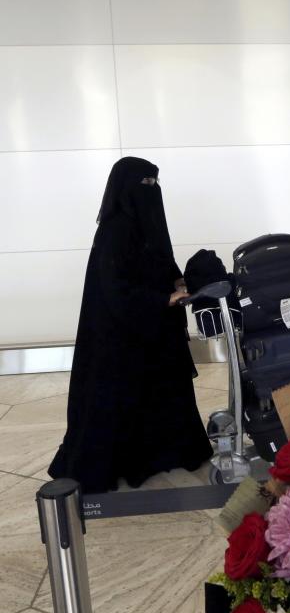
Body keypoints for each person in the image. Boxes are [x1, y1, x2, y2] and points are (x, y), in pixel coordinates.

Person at [49, 157, 213, 493]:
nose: (152, 190)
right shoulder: (116, 230)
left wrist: (177, 282)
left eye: (155, 183)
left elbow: (157, 264)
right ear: (124, 188)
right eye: (145, 183)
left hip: (150, 330)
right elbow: (115, 289)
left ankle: (163, 455)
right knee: (121, 400)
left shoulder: (143, 224)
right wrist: (162, 299)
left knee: (160, 392)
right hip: (121, 336)